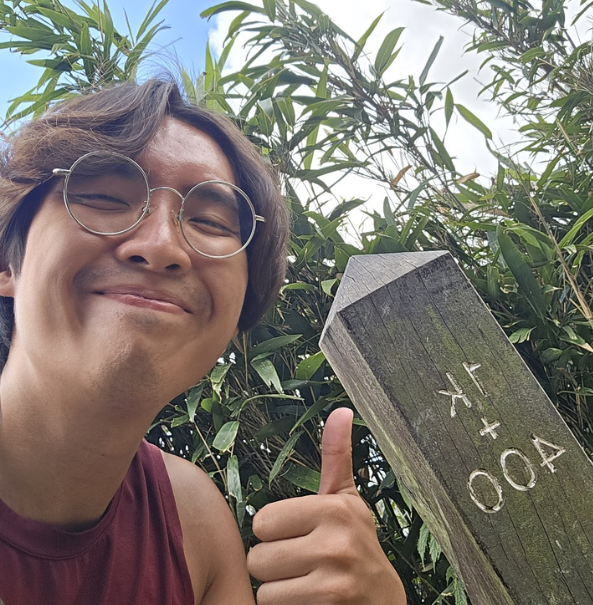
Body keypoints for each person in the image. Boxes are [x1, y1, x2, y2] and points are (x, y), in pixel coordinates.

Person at [0, 79, 407, 604]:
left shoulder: (193, 523)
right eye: (102, 197)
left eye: (211, 222)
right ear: (8, 263)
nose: (163, 246)